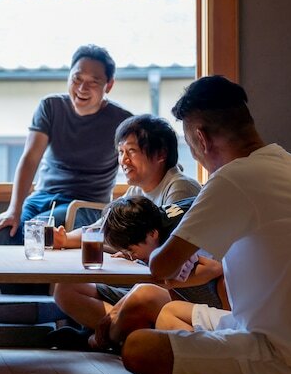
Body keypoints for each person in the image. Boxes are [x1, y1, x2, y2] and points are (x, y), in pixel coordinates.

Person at [121, 76, 291, 374]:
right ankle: (201, 370)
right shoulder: (290, 164)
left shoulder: (233, 178)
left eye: (190, 145)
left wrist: (161, 253)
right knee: (168, 311)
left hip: (287, 357)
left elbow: (160, 266)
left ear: (201, 138)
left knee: (138, 347)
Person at [51, 115, 201, 335]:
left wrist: (132, 252)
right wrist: (64, 239)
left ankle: (108, 336)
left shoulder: (179, 188)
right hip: (139, 280)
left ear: (161, 154)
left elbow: (171, 255)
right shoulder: (136, 190)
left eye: (131, 151)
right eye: (121, 152)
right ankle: (113, 336)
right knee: (66, 289)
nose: (123, 160)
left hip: (171, 289)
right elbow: (101, 229)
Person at [0, 44, 134, 245]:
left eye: (93, 82)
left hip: (86, 205)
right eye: (77, 79)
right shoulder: (51, 107)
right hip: (41, 198)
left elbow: (136, 165)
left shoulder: (122, 121)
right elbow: (30, 159)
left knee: (36, 233)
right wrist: (13, 210)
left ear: (109, 85)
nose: (82, 88)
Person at [85, 197, 225, 352]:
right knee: (137, 292)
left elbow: (216, 267)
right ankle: (105, 335)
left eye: (132, 250)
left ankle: (105, 340)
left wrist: (166, 281)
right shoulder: (157, 222)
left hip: (216, 303)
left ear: (153, 234)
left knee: (143, 293)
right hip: (191, 297)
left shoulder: (177, 238)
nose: (131, 255)